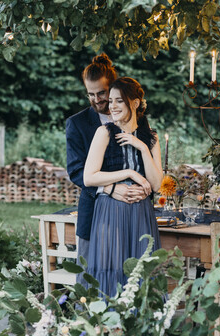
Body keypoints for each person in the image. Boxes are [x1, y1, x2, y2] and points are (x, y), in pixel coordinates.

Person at [66, 54, 148, 272]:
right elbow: (76, 171)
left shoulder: (137, 120)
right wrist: (109, 188)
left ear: (113, 88)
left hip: (133, 215)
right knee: (93, 278)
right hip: (94, 213)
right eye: (90, 94)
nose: (97, 100)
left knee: (131, 277)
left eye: (101, 93)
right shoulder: (77, 124)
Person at [83, 77, 164, 297]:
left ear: (135, 103)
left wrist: (143, 149)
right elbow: (89, 177)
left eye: (119, 101)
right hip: (110, 213)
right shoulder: (104, 133)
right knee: (112, 269)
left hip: (141, 215)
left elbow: (156, 184)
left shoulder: (152, 138)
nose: (112, 106)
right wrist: (129, 173)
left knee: (141, 272)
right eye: (111, 101)